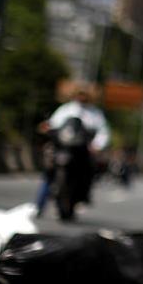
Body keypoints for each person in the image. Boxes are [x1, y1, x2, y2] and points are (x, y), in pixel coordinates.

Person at [35, 82, 110, 216]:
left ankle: (84, 194)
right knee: (49, 170)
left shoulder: (95, 113)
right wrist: (47, 128)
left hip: (82, 149)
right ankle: (39, 205)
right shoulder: (65, 109)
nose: (82, 97)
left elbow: (103, 132)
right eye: (80, 94)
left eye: (84, 94)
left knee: (91, 167)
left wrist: (96, 145)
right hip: (62, 146)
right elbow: (52, 124)